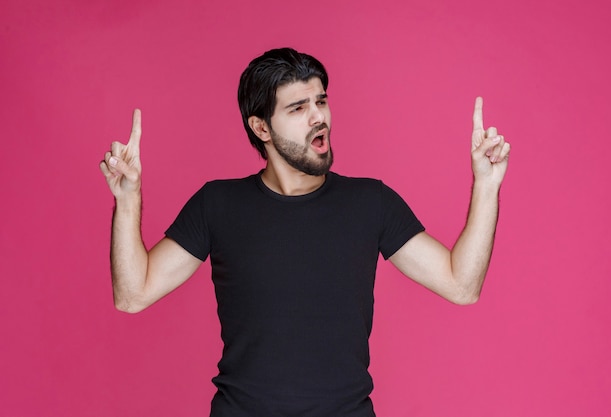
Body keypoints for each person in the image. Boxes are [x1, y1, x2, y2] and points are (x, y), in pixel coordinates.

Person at [99, 47, 510, 417]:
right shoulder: (218, 205)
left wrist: (487, 186)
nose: (319, 117)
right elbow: (133, 295)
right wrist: (128, 198)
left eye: (321, 101)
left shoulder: (371, 202)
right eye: (297, 108)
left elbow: (461, 285)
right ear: (261, 128)